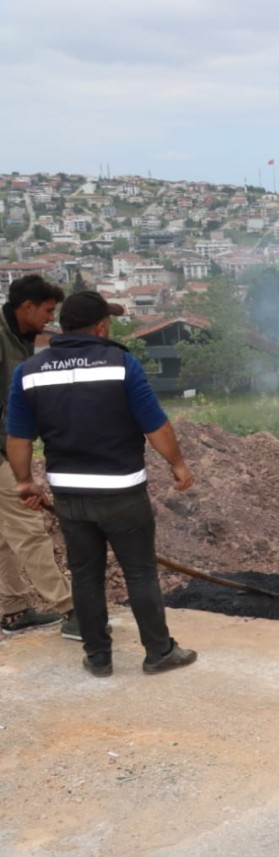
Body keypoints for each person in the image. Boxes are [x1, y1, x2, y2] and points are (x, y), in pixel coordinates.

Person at [5, 290, 197, 677]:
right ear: (101, 326)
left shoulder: (29, 372)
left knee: (86, 574)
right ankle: (158, 653)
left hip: (70, 496)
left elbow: (18, 438)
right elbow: (155, 425)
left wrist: (25, 483)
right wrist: (177, 464)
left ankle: (98, 657)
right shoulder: (121, 363)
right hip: (122, 492)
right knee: (139, 571)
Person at [0, 275, 76, 638]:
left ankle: (12, 611)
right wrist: (17, 468)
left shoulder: (20, 338)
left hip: (4, 446)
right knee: (28, 528)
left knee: (5, 535)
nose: (50, 317)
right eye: (47, 310)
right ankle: (72, 609)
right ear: (26, 306)